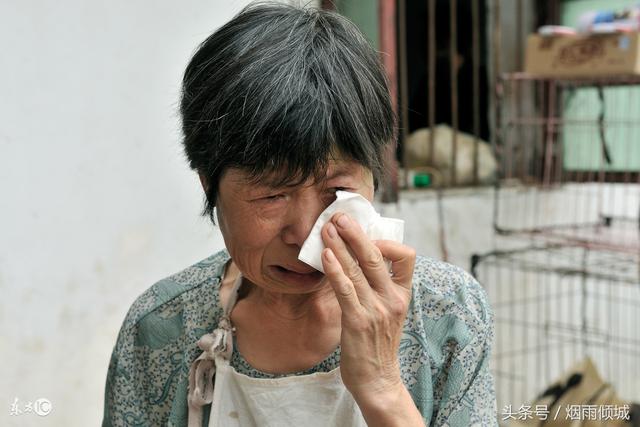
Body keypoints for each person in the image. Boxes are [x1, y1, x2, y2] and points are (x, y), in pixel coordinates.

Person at [102, 3, 497, 426]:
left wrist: (383, 388)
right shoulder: (162, 328)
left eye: (338, 191)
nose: (306, 232)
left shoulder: (446, 313)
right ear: (208, 185)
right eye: (272, 194)